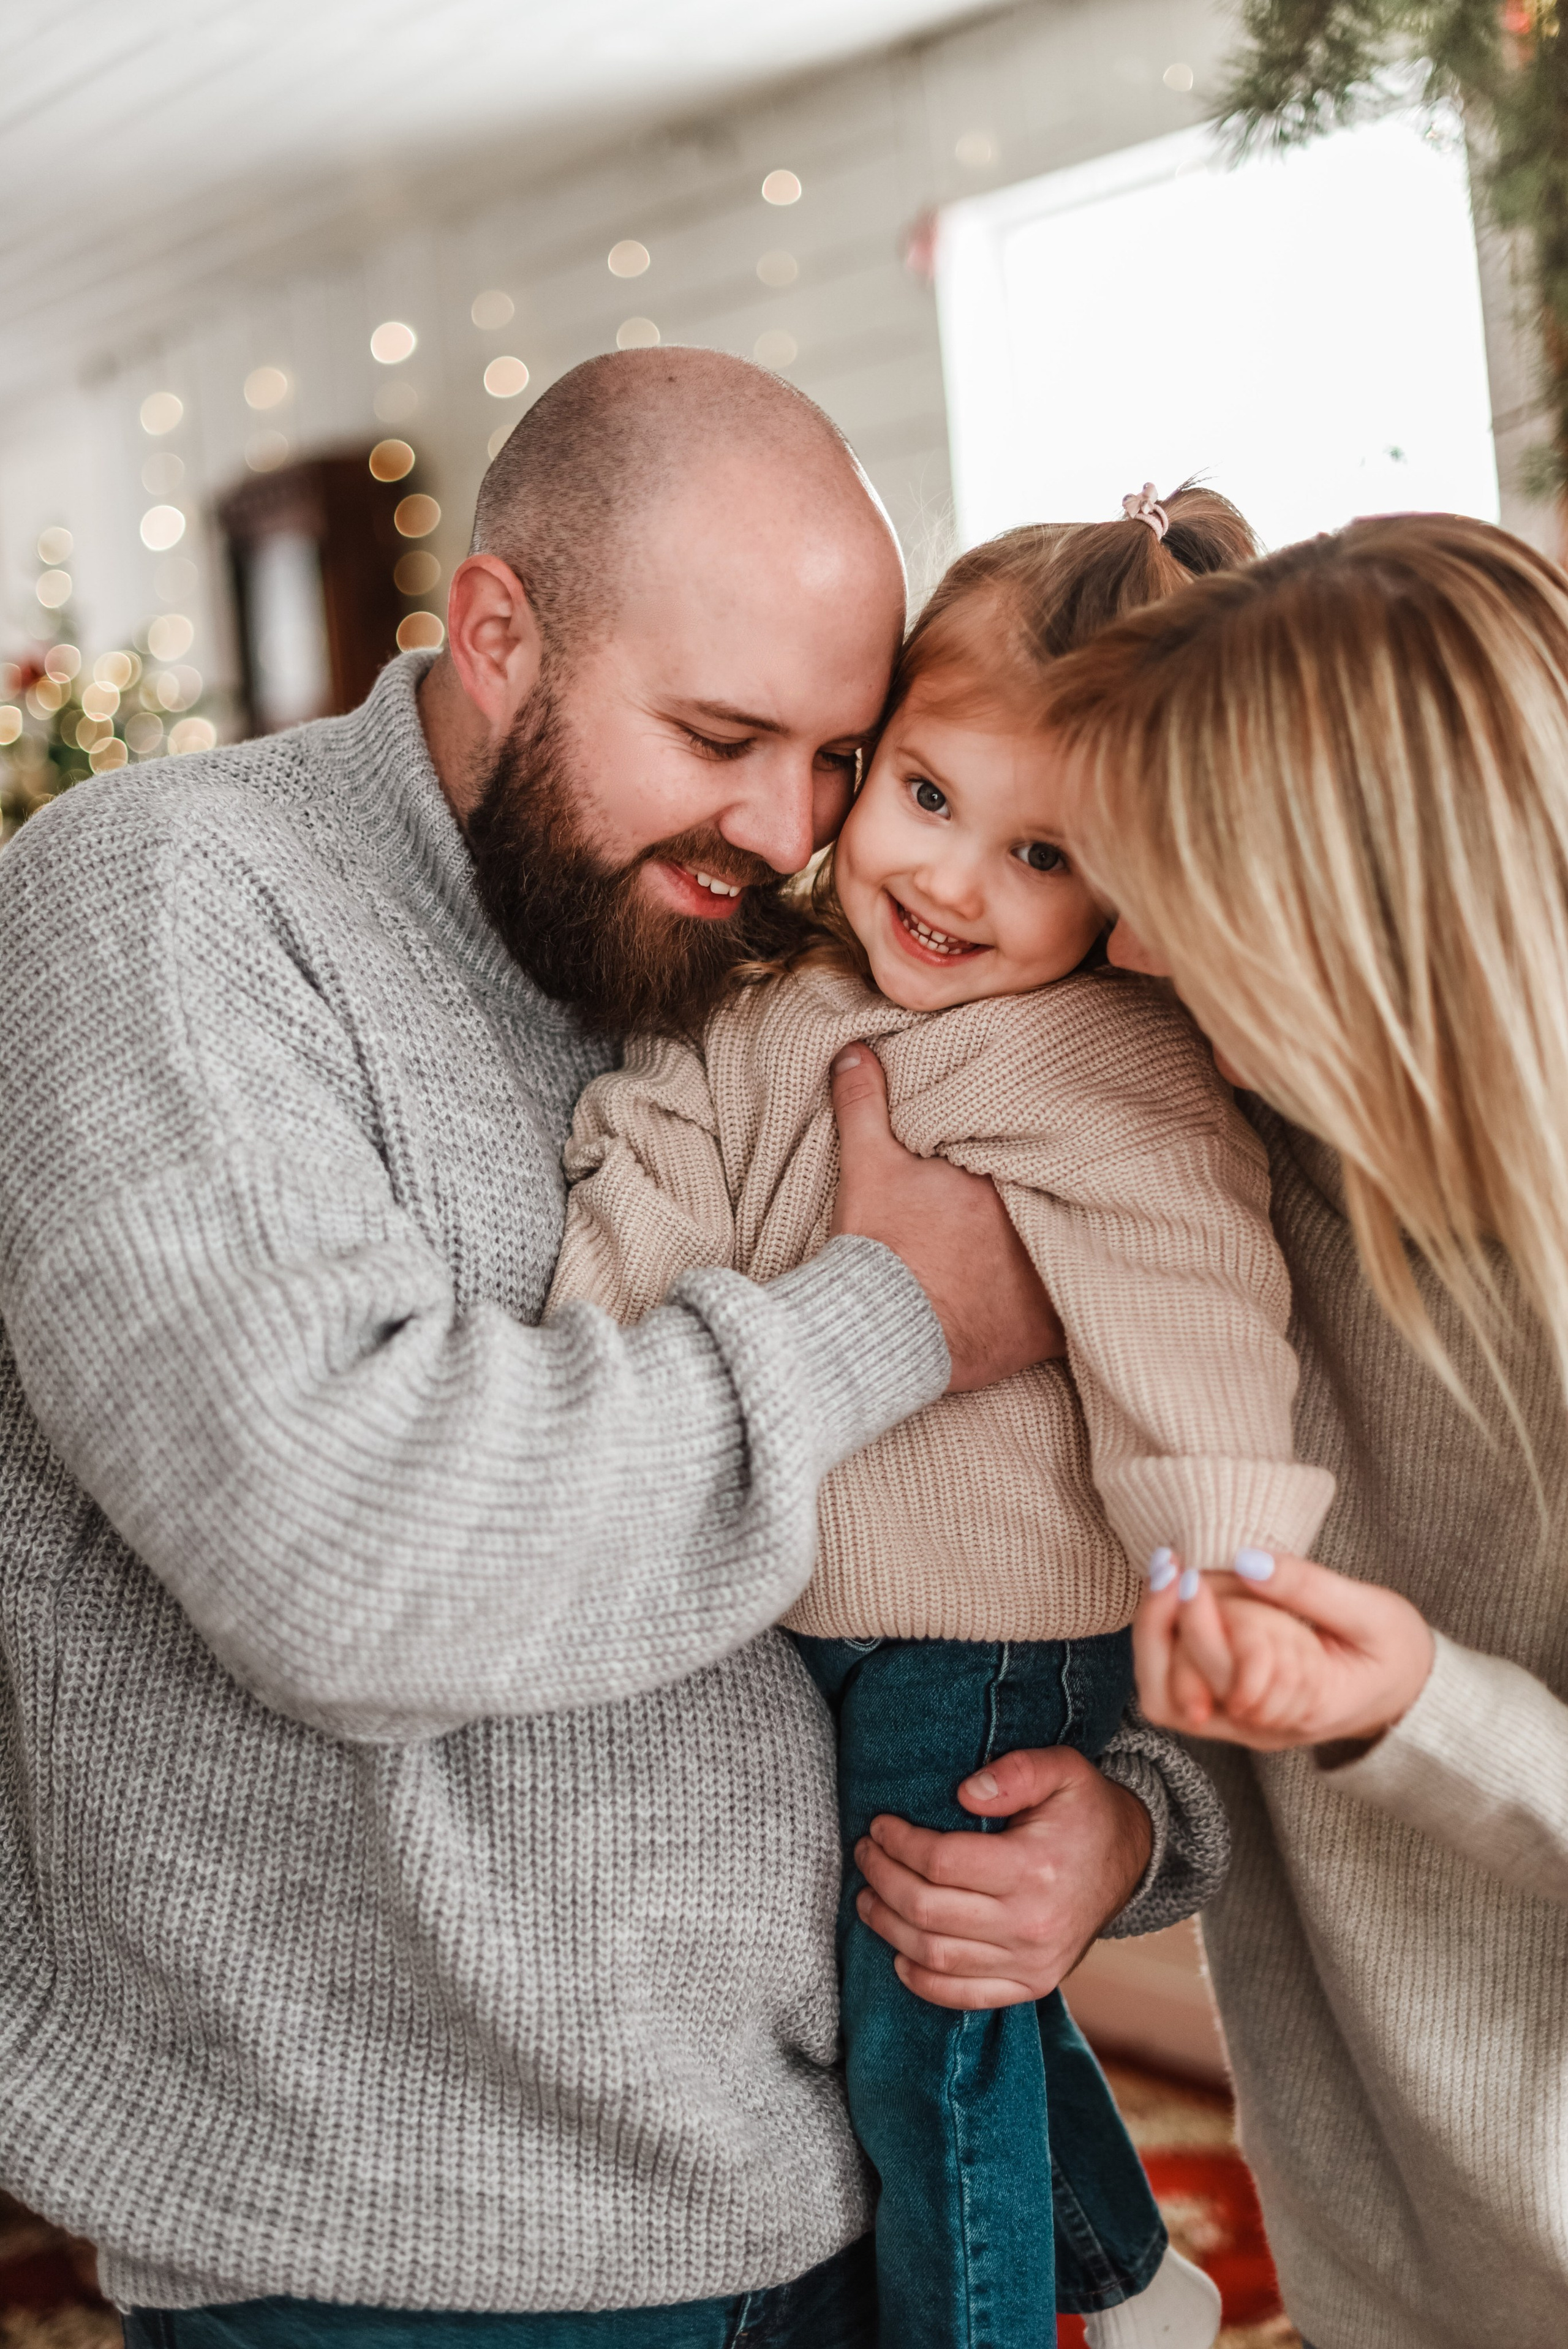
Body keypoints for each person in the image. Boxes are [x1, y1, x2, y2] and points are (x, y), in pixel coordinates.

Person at [0, 349, 1225, 2347]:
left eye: (847, 753)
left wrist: (1138, 1825)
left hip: (846, 2192)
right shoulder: (166, 906)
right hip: (407, 2266)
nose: (793, 826)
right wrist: (888, 1308)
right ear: (499, 633)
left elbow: (1069, 1500)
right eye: (724, 733)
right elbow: (346, 1558)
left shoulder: (790, 950)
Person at [544, 486, 1333, 2349]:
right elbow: (656, 1156)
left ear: (1129, 892)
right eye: (926, 797)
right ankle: (1133, 2282)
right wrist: (581, 1347)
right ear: (865, 762)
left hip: (988, 1638)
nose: (955, 882)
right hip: (815, 1602)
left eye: (1044, 854)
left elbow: (1196, 1314)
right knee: (911, 1978)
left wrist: (1222, 1567)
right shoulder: (770, 997)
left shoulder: (1101, 1067)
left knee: (936, 2038)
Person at [1017, 510, 1568, 2348]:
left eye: (1174, 884)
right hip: (1378, 2260)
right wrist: (1131, 1821)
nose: (1130, 945)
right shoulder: (1212, 1179)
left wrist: (1425, 1706)